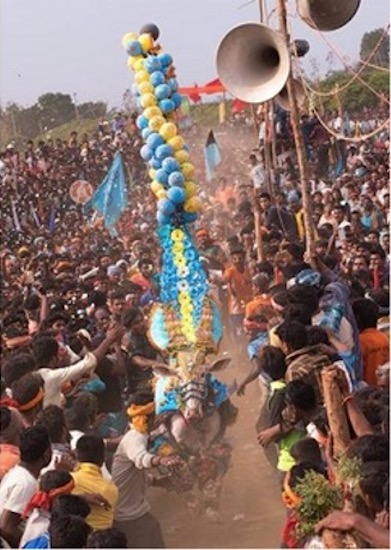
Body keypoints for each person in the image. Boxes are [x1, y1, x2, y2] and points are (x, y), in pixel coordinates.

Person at [111, 391, 182, 548]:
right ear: (147, 418)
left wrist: (158, 482)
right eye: (156, 415)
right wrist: (161, 460)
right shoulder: (135, 438)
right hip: (128, 515)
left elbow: (131, 476)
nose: (159, 418)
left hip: (129, 512)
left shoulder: (137, 436)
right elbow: (141, 459)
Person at [0, 426, 52, 547]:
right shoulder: (26, 483)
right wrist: (31, 545)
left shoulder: (19, 474)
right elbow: (6, 527)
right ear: (46, 454)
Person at [71, 435, 119, 530]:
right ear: (102, 458)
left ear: (76, 454)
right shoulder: (111, 488)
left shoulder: (68, 481)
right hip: (101, 541)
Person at [352, 298, 389, 386]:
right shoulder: (384, 337)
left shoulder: (359, 342)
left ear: (356, 319)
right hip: (383, 387)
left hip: (367, 390)